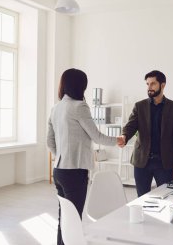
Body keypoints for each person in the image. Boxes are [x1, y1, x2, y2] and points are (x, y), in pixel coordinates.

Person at [47, 68, 123, 245]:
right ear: (80, 86)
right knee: (74, 219)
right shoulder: (79, 107)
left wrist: (61, 156)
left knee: (64, 218)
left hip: (59, 170)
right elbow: (96, 136)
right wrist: (118, 140)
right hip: (74, 172)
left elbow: (49, 142)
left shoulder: (56, 108)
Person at [120, 70, 173, 197]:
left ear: (163, 85)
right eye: (147, 84)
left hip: (164, 162)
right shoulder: (140, 106)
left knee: (167, 198)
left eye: (153, 84)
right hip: (142, 161)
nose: (149, 87)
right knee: (142, 199)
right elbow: (131, 125)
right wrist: (124, 136)